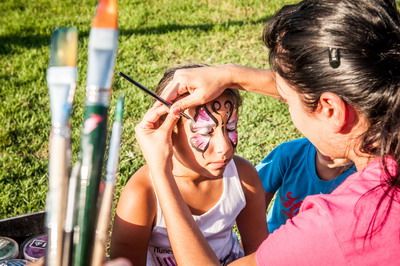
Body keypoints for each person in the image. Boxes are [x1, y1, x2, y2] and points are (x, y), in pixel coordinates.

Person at [134, 0, 400, 265]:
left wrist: (160, 171)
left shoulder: (339, 227)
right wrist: (229, 75)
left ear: (330, 109)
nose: (224, 146)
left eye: (285, 99)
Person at [110, 64, 267, 265]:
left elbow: (261, 256)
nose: (224, 147)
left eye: (230, 128)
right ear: (166, 129)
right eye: (206, 132)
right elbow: (125, 262)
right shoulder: (142, 193)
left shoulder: (243, 176)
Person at [257, 138, 356, 233]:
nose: (330, 144)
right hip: (275, 242)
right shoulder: (290, 153)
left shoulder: (365, 178)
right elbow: (255, 199)